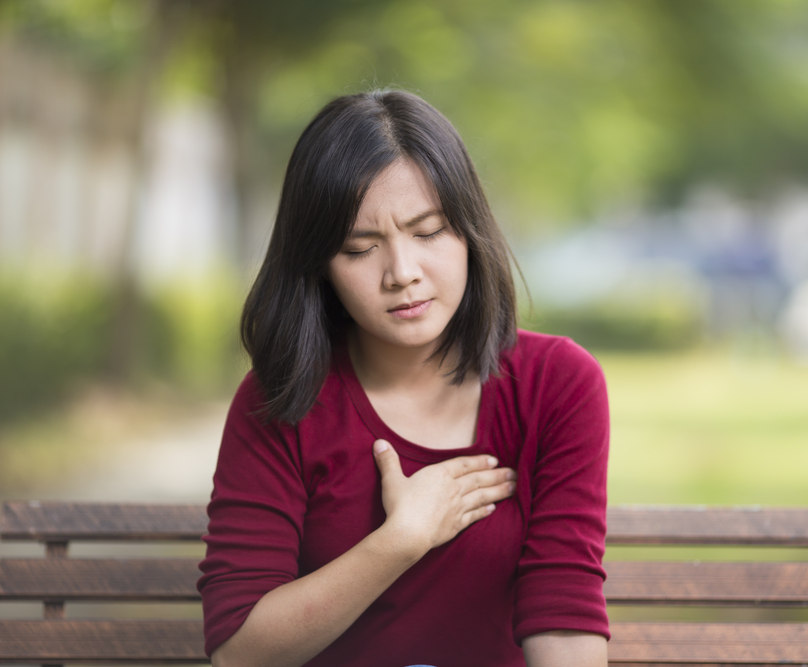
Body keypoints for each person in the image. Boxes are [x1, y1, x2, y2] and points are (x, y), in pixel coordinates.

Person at [197, 90, 610, 667]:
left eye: (429, 232)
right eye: (359, 248)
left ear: (470, 232)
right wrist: (401, 540)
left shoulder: (557, 384)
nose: (403, 273)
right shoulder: (281, 401)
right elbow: (240, 655)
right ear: (320, 266)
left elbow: (563, 612)